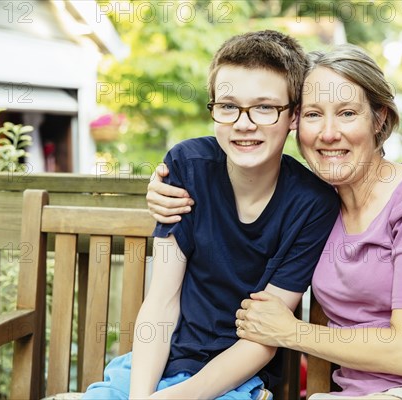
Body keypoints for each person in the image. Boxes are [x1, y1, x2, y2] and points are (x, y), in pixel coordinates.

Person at [146, 45, 402, 399]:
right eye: (314, 115)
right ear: (295, 121)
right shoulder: (321, 209)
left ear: (379, 119)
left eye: (346, 113)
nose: (328, 133)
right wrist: (162, 189)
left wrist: (292, 332)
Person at [83, 30, 340, 400]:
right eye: (228, 106)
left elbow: (262, 336)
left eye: (265, 107)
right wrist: (142, 397)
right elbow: (162, 302)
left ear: (294, 115)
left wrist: (177, 397)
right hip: (155, 361)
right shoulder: (188, 167)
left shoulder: (311, 205)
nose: (244, 122)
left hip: (234, 379)